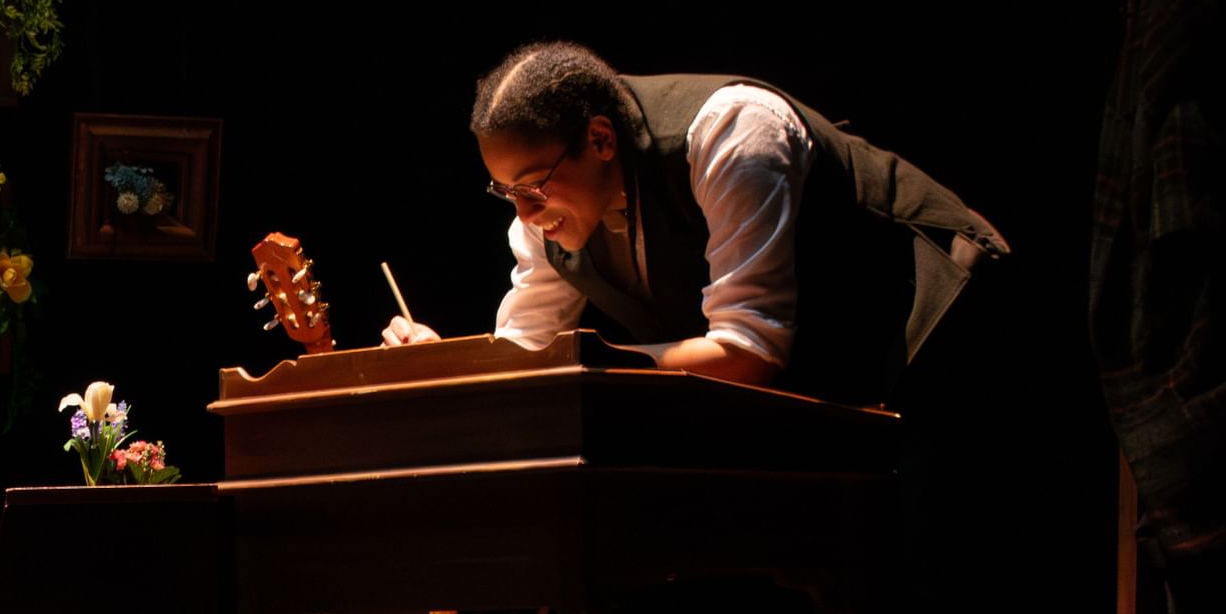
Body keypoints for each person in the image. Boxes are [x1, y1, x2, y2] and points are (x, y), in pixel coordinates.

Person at [383, 39, 1006, 400]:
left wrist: (586, 366)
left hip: (935, 316)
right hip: (834, 363)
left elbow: (749, 351)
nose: (523, 213)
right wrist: (453, 367)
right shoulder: (541, 217)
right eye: (505, 190)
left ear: (601, 140)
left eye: (536, 187)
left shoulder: (732, 132)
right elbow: (528, 360)